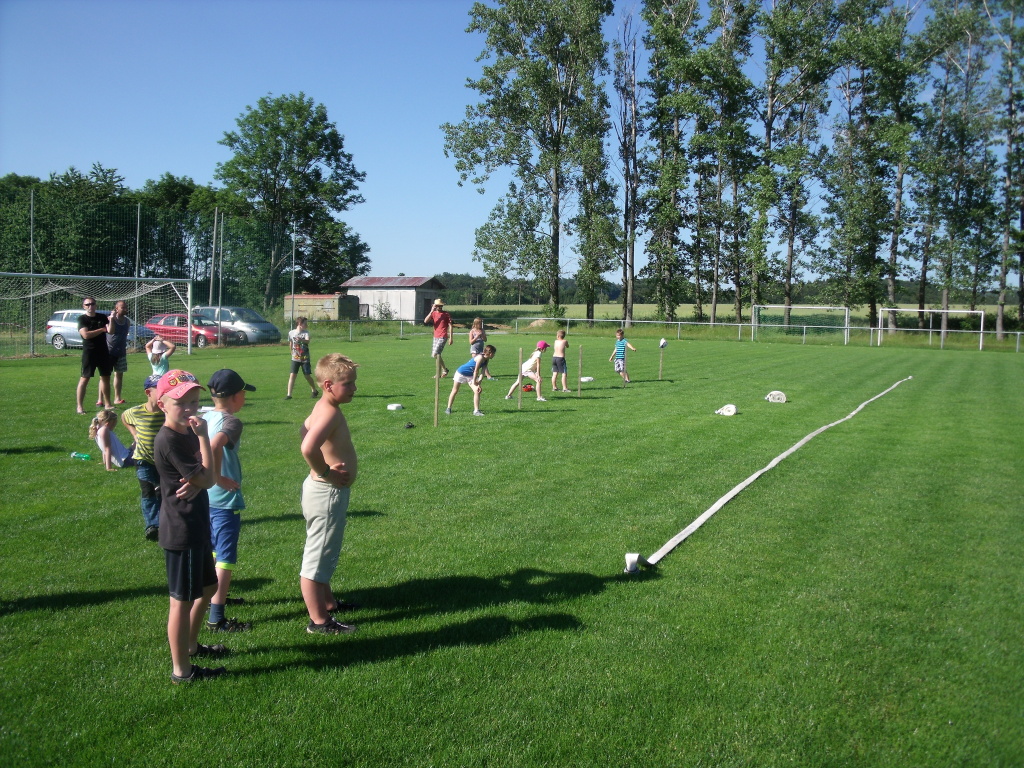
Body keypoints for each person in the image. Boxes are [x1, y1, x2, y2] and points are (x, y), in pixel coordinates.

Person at [152, 369, 226, 684]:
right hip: (181, 529)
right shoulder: (170, 439)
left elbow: (206, 476)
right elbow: (208, 478)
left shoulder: (186, 433)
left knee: (208, 588)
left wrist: (201, 479)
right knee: (180, 602)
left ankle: (192, 645)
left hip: (196, 523)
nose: (190, 409)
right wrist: (204, 440)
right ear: (162, 405)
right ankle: (181, 670)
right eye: (180, 403)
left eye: (194, 402)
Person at [299, 353, 360, 635]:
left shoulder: (323, 407)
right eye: (348, 384)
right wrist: (326, 472)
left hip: (324, 492)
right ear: (328, 385)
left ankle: (328, 603)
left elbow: (304, 431)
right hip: (326, 492)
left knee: (324, 551)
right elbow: (307, 447)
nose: (354, 388)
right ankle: (319, 621)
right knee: (317, 557)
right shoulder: (330, 412)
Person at [203, 369, 256, 634]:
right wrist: (218, 477)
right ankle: (216, 617)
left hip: (204, 497)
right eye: (243, 393)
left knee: (213, 550)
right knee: (225, 557)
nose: (245, 397)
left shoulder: (204, 416)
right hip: (224, 499)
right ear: (235, 397)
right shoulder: (232, 422)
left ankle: (214, 596)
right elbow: (214, 445)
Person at [122, 374, 167, 541]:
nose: (164, 393)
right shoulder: (136, 412)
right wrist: (134, 433)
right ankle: (152, 526)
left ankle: (166, 522)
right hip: (143, 459)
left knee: (163, 492)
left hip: (164, 461)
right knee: (148, 492)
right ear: (148, 392)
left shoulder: (167, 411)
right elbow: (124, 417)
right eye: (160, 390)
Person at [75, 297, 112, 414]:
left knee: (105, 377)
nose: (90, 306)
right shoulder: (82, 319)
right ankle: (80, 407)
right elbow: (85, 335)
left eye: (92, 304)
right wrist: (101, 330)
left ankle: (108, 404)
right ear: (84, 306)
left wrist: (112, 320)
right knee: (85, 378)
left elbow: (110, 331)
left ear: (96, 305)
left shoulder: (102, 317)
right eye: (87, 304)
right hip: (90, 352)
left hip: (103, 351)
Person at [446, 345, 496, 416]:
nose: (494, 355)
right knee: (455, 390)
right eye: (494, 354)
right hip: (461, 373)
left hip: (470, 375)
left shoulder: (486, 359)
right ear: (490, 353)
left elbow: (483, 372)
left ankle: (476, 411)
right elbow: (476, 371)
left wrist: (479, 383)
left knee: (477, 391)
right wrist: (475, 381)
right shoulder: (480, 358)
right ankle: (448, 408)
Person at [286, 317, 319, 399]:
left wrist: (301, 340)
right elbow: (291, 343)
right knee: (292, 375)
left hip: (305, 358)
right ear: (300, 324)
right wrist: (291, 352)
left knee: (307, 375)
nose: (306, 325)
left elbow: (307, 341)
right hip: (295, 358)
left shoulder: (306, 333)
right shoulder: (291, 333)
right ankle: (289, 395)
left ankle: (314, 390)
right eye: (305, 323)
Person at [105, 299, 131, 405]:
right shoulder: (109, 319)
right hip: (109, 351)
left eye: (126, 307)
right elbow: (110, 332)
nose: (125, 309)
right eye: (122, 307)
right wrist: (111, 319)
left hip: (121, 352)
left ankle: (117, 398)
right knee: (105, 376)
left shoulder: (127, 321)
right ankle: (100, 400)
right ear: (117, 308)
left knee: (119, 375)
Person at [423, 298, 452, 377]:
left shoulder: (446, 314)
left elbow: (450, 325)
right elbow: (425, 321)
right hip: (435, 336)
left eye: (440, 305)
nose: (439, 307)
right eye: (437, 305)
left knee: (436, 354)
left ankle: (441, 372)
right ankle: (444, 370)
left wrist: (451, 337)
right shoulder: (433, 313)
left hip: (443, 336)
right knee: (436, 355)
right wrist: (431, 311)